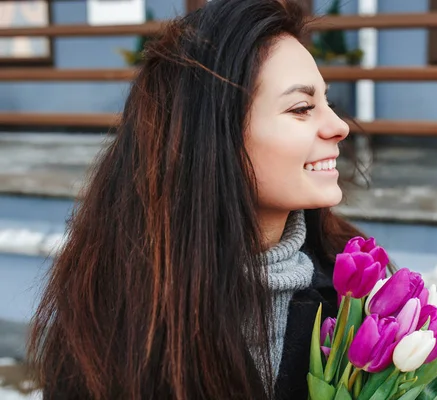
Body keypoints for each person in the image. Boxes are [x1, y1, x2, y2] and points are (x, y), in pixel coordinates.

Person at [26, 0, 372, 399]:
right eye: (301, 108)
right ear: (212, 133)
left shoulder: (357, 290)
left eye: (326, 102)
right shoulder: (112, 315)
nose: (339, 126)